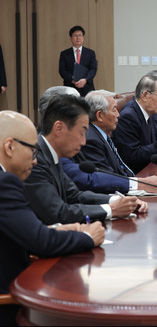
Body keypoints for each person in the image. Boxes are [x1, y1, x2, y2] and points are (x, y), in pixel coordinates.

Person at [0, 110, 104, 325]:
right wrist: (88, 237)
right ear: (9, 147)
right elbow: (41, 243)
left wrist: (55, 230)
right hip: (10, 304)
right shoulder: (4, 184)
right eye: (32, 150)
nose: (36, 161)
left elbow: (21, 232)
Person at [24, 95, 146, 225]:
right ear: (59, 128)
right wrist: (111, 209)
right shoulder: (34, 160)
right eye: (81, 133)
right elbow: (58, 213)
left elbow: (75, 195)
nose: (83, 142)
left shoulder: (51, 153)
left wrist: (117, 200)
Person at [69, 89, 157, 193]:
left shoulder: (102, 134)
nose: (118, 114)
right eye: (114, 110)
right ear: (99, 116)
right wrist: (140, 184)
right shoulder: (90, 140)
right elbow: (105, 179)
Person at [58, 25, 97, 97]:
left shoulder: (90, 53)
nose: (78, 38)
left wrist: (85, 80)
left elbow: (93, 69)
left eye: (80, 35)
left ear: (83, 38)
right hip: (70, 87)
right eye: (75, 36)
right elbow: (62, 71)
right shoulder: (64, 54)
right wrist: (73, 80)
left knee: (88, 107)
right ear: (70, 38)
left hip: (87, 87)